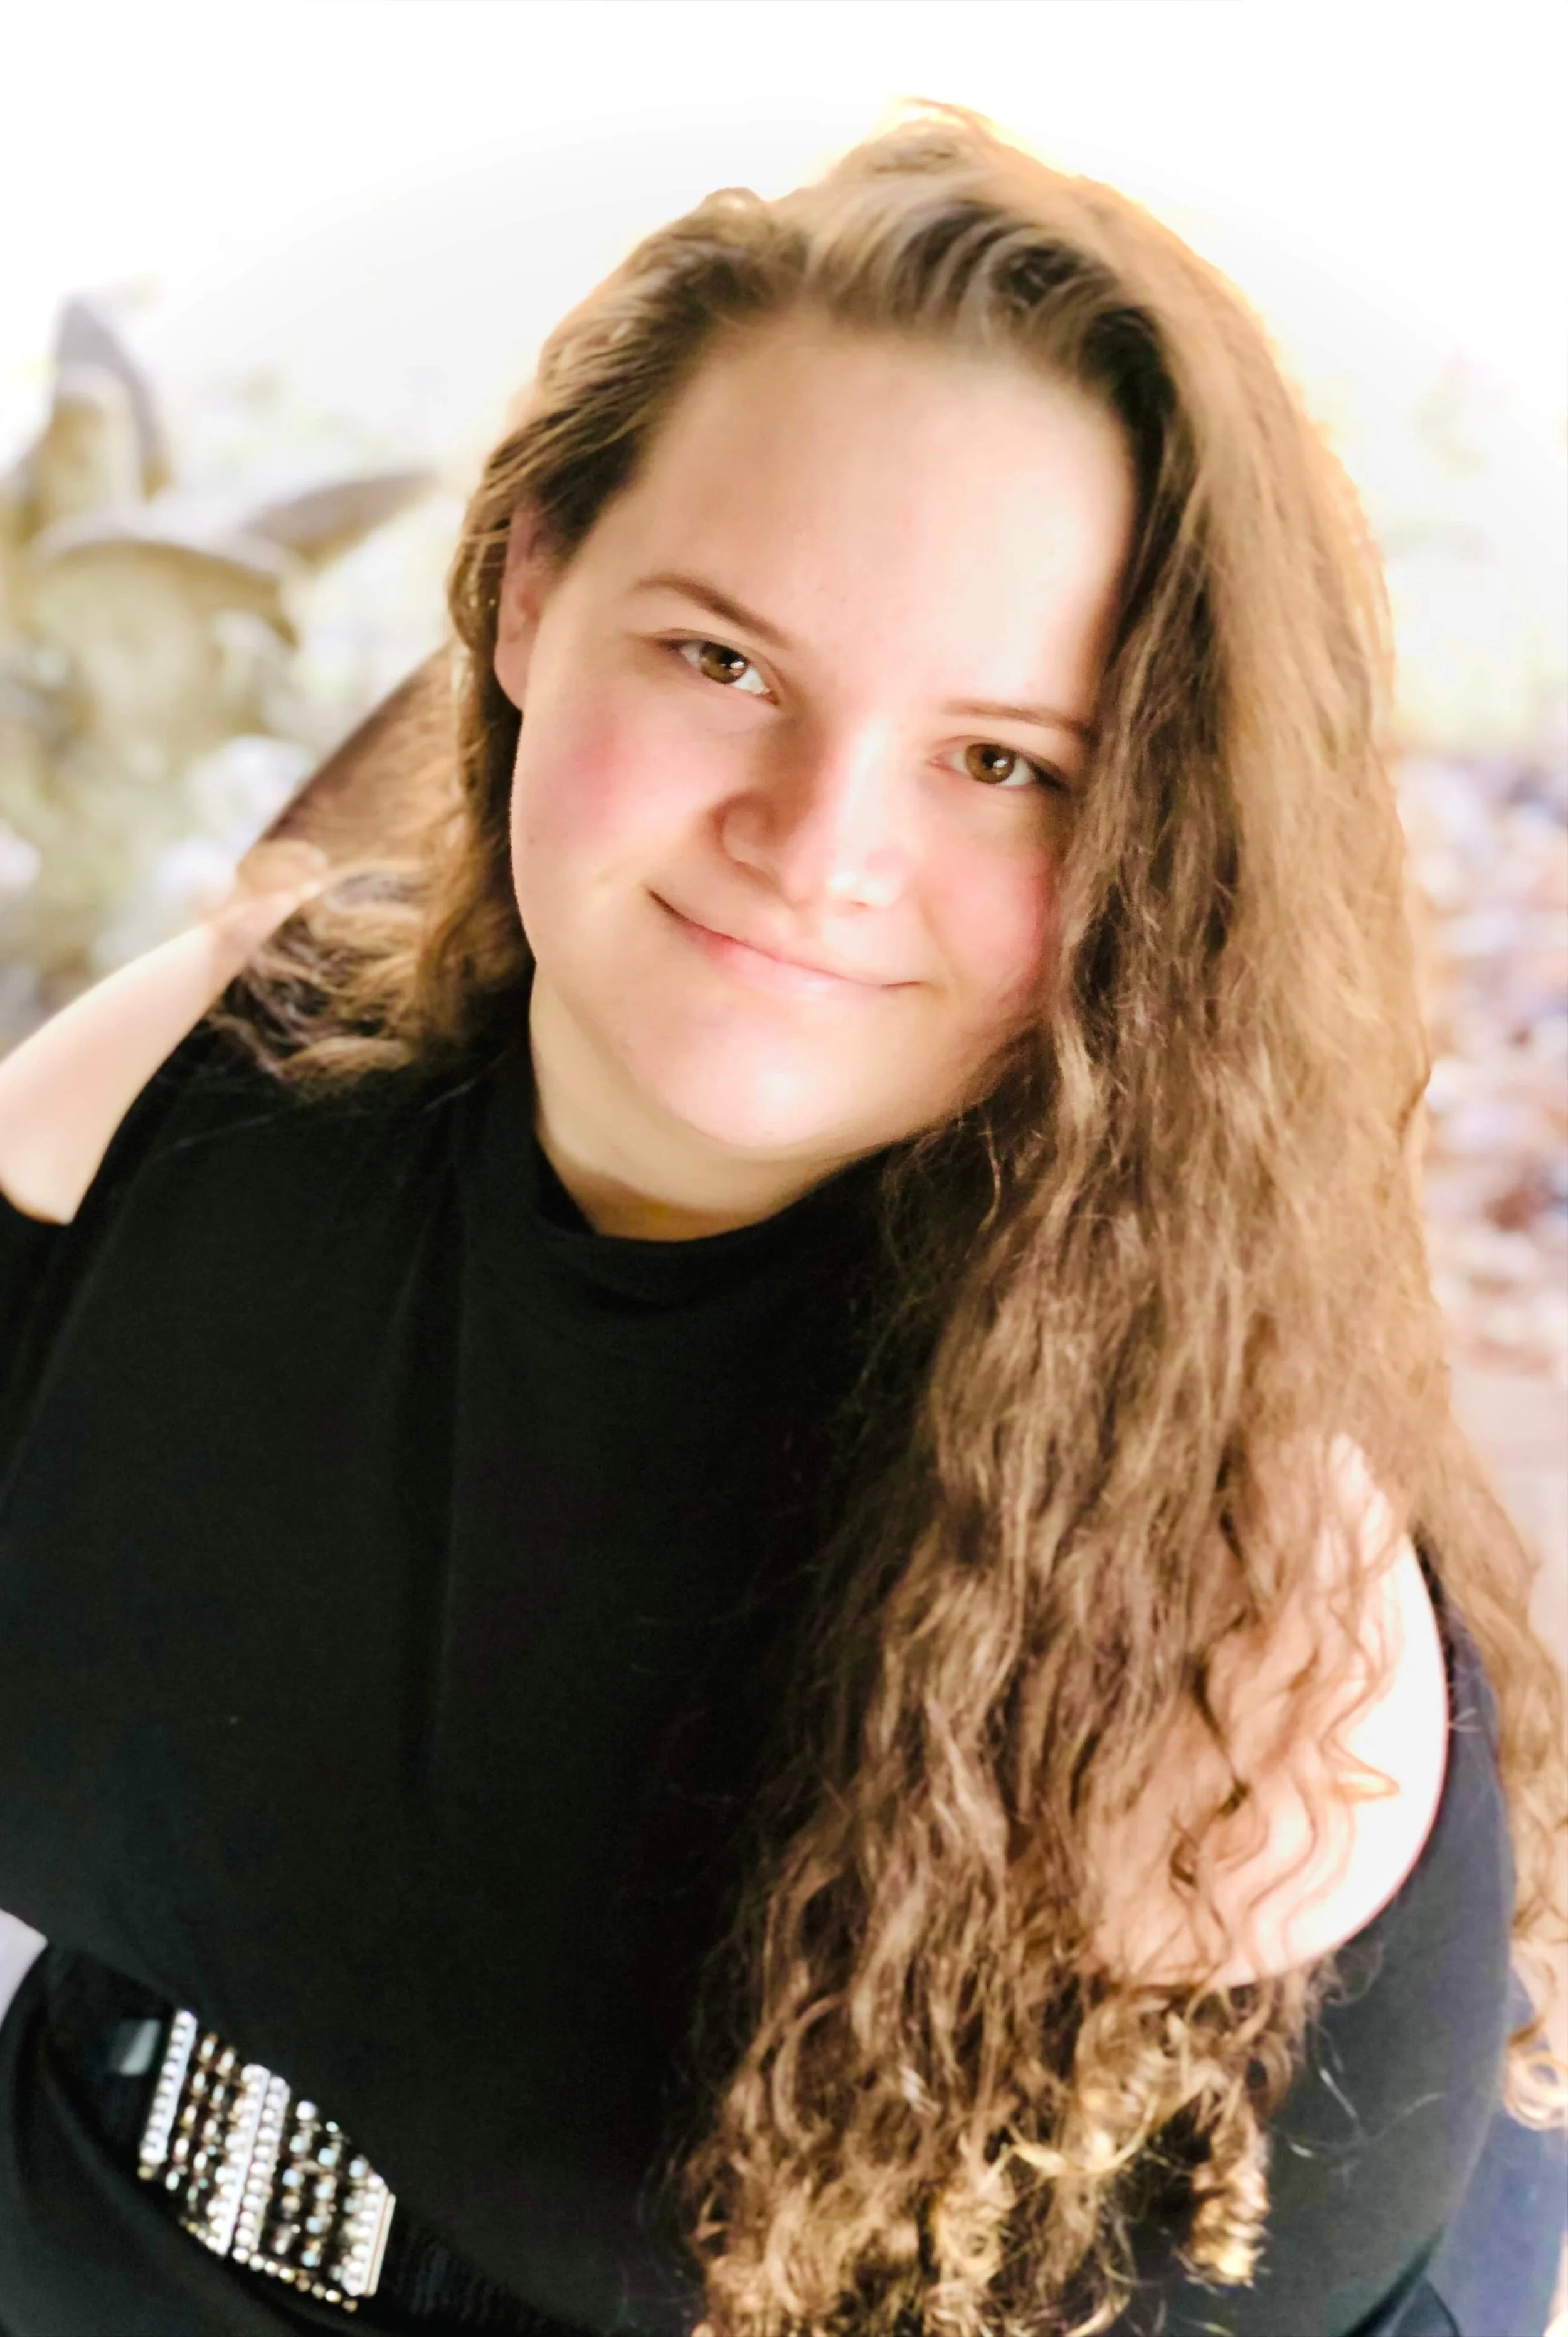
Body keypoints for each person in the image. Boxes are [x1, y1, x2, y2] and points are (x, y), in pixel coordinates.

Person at [0, 97, 1562, 2337]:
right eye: (721, 659)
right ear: (530, 592)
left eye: (1001, 760)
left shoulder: (1217, 1654)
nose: (815, 844)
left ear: (1152, 849)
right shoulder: (201, 1080)